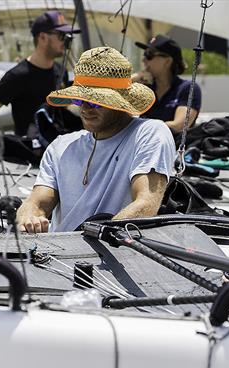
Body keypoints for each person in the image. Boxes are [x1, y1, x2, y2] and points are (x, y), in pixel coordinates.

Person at [16, 47, 175, 233]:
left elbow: (146, 204)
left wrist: (97, 237)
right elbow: (37, 202)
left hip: (114, 254)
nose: (85, 109)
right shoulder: (60, 145)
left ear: (121, 102)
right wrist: (29, 216)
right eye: (79, 100)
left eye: (94, 102)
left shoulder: (149, 133)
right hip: (57, 256)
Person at [0, 11, 79, 137]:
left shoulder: (61, 71)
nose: (66, 41)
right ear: (42, 37)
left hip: (56, 145)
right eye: (61, 35)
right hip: (30, 151)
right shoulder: (18, 76)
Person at [132, 35, 201, 136]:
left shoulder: (188, 88)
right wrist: (131, 80)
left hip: (173, 149)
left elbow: (179, 125)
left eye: (149, 55)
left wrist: (141, 127)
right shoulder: (144, 88)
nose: (144, 60)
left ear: (168, 61)